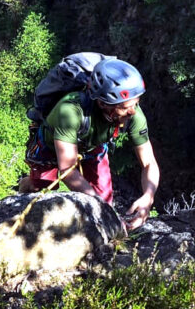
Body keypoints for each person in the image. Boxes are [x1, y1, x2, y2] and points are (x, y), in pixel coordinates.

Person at [20, 56, 160, 228]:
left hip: (91, 147)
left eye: (136, 103)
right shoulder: (71, 110)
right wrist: (100, 208)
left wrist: (148, 196)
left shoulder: (133, 115)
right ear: (103, 103)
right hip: (51, 146)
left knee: (105, 198)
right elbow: (67, 170)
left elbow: (149, 163)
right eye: (124, 107)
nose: (132, 112)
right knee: (40, 185)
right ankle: (23, 190)